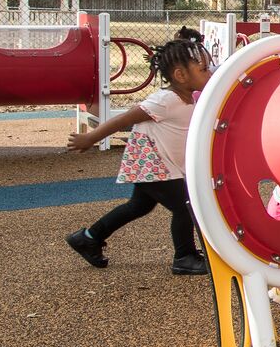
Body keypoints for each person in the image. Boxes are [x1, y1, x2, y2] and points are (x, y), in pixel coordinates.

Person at [64, 28, 214, 277]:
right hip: (154, 166)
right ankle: (184, 257)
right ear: (180, 75)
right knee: (186, 205)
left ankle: (89, 237)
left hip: (161, 167)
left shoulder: (189, 98)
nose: (209, 73)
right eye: (204, 70)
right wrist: (91, 137)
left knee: (138, 206)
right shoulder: (166, 100)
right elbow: (125, 119)